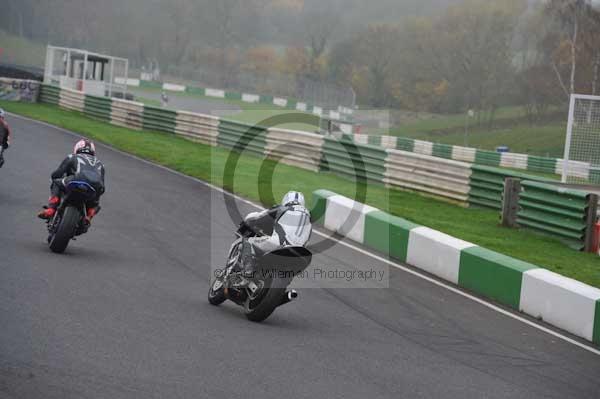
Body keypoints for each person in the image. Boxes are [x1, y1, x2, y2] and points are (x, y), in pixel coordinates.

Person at [238, 191, 312, 277]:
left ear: (286, 200)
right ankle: (281, 289)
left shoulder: (282, 208)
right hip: (302, 254)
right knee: (287, 276)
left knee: (248, 241)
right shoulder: (309, 221)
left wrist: (247, 221)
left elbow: (258, 217)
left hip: (281, 244)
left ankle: (248, 271)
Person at [37, 139, 105, 225]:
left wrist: (55, 177)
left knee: (56, 182)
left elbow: (57, 174)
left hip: (76, 180)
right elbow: (103, 187)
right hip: (96, 187)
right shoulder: (100, 164)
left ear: (77, 148)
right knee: (96, 201)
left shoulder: (72, 156)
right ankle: (89, 216)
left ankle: (51, 208)